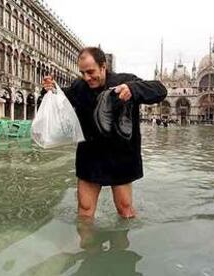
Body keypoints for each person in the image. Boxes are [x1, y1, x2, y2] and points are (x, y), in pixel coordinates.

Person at [43, 47, 167, 219]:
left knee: (125, 210)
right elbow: (59, 96)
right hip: (90, 156)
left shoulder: (125, 81)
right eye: (82, 72)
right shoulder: (79, 86)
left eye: (91, 71)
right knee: (85, 211)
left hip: (121, 156)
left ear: (103, 66)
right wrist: (50, 88)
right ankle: (86, 245)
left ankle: (122, 245)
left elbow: (160, 90)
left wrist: (133, 89)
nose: (87, 77)